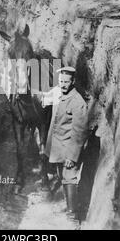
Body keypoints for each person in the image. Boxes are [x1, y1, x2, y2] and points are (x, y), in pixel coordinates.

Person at [42, 66, 89, 222]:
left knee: (69, 178)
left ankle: (73, 216)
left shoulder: (77, 102)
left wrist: (72, 156)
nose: (62, 85)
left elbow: (79, 132)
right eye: (61, 81)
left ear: (73, 82)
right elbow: (44, 99)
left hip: (68, 149)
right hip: (57, 147)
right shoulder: (59, 93)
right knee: (62, 176)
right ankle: (69, 209)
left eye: (66, 82)